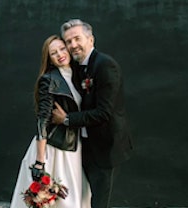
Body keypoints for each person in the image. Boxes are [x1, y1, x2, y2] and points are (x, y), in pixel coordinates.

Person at [51, 19, 133, 208]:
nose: (73, 45)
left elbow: (103, 113)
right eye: (68, 41)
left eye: (77, 39)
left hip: (106, 146)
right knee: (83, 198)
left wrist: (66, 119)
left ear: (91, 40)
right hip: (84, 145)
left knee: (99, 201)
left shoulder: (105, 65)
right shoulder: (78, 68)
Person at [9, 35, 92, 208]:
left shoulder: (79, 75)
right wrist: (40, 160)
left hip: (74, 145)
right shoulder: (49, 80)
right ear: (50, 60)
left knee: (75, 196)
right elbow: (43, 120)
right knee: (60, 201)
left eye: (62, 49)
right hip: (55, 147)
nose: (60, 54)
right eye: (54, 53)